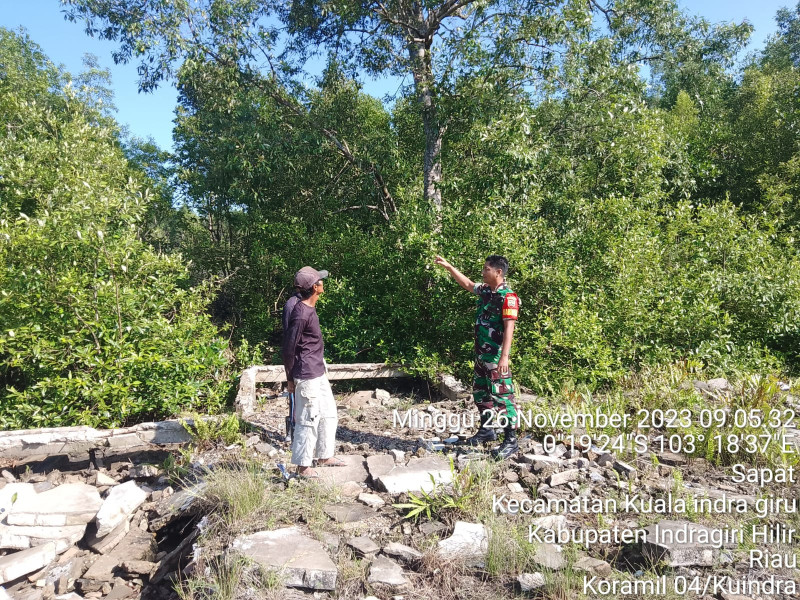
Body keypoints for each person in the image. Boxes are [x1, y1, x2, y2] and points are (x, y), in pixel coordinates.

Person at [434, 254, 521, 460]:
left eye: (486, 269)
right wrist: (449, 266)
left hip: (496, 356)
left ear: (498, 272)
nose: (483, 272)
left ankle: (511, 441)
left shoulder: (508, 297)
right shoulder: (485, 291)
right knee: (481, 393)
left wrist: (504, 357)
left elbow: (510, 327)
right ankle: (487, 430)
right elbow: (467, 284)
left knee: (503, 396)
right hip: (482, 355)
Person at [282, 266, 344, 477]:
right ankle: (302, 466)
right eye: (320, 281)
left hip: (317, 370)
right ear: (315, 287)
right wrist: (290, 378)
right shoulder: (299, 313)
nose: (323, 283)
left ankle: (325, 455)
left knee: (328, 413)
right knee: (308, 419)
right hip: (306, 373)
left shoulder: (309, 306)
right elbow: (289, 349)